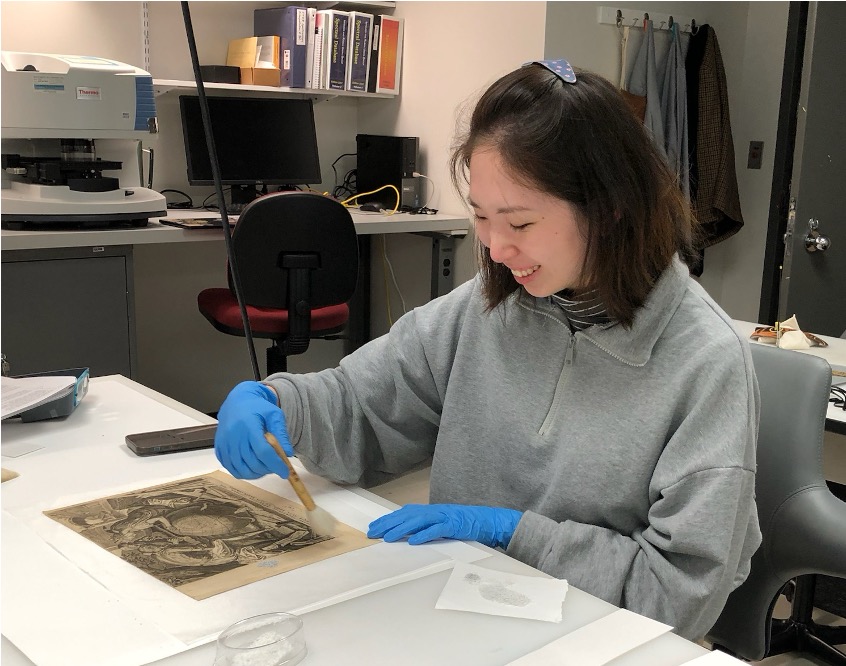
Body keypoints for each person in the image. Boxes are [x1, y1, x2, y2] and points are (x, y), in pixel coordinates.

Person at [214, 59, 761, 640]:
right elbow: (364, 403)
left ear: (611, 208)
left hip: (603, 641)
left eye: (520, 223)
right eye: (480, 217)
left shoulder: (705, 363)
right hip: (463, 617)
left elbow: (677, 594)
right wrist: (280, 405)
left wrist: (513, 533)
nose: (497, 249)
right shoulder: (487, 307)